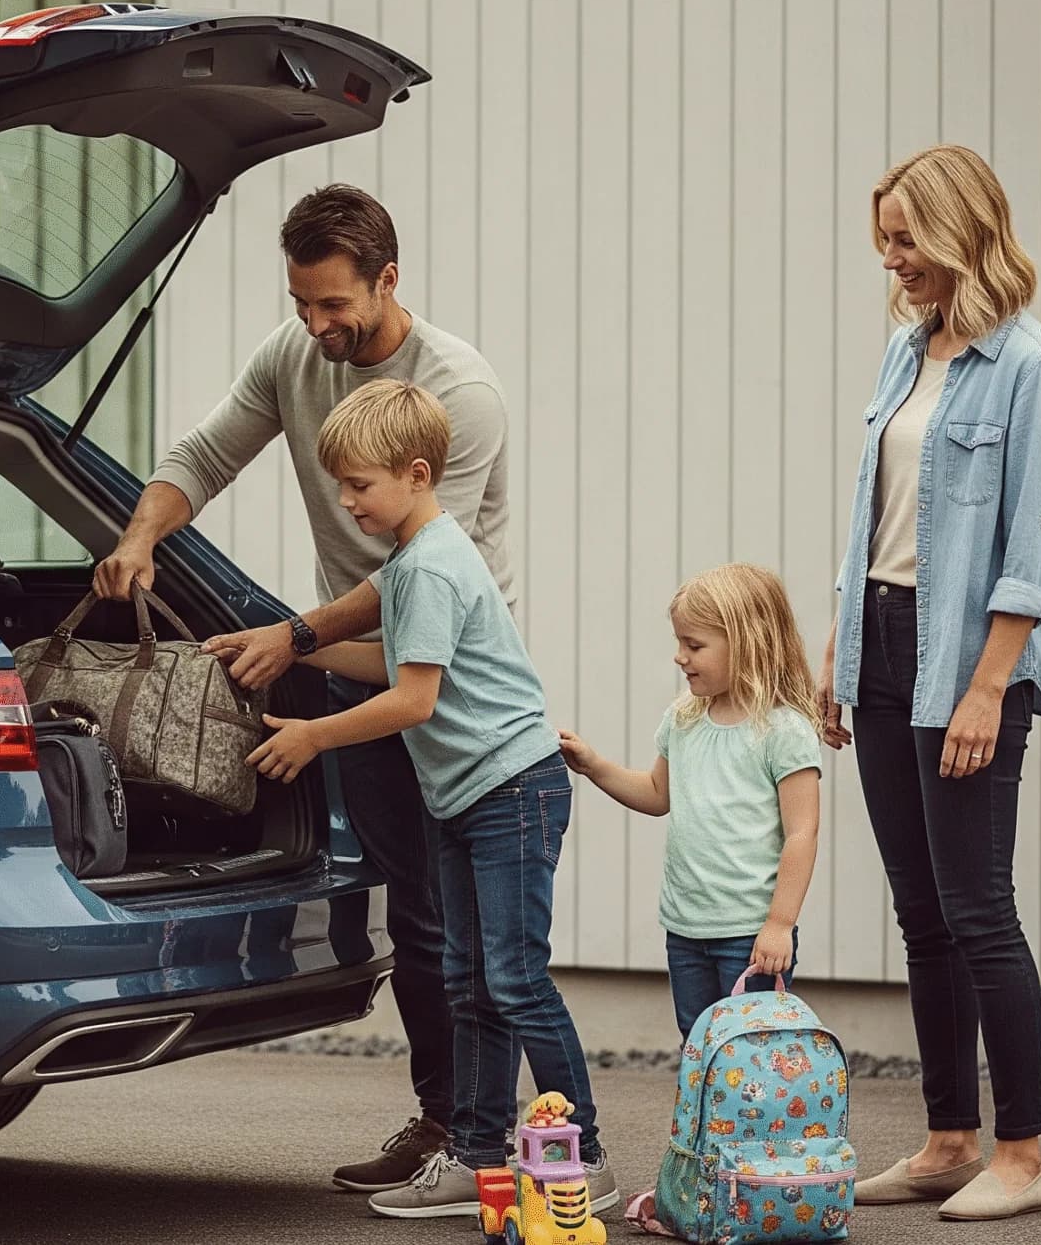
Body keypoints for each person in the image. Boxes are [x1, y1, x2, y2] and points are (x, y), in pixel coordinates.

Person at [90, 185, 514, 1194]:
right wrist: (142, 532)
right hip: (351, 669)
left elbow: (416, 574)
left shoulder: (459, 392)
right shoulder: (294, 355)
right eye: (302, 303)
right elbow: (204, 454)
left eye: (335, 305)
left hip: (444, 681)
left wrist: (292, 636)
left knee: (465, 924)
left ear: (388, 281)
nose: (317, 326)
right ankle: (443, 1121)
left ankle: (496, 1137)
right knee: (412, 914)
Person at [245, 379, 617, 1221]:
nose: (346, 500)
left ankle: (586, 1155)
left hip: (512, 790)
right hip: (465, 796)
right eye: (339, 483)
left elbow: (415, 700)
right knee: (469, 980)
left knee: (515, 980)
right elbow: (391, 659)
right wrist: (300, 655)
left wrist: (314, 737)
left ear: (417, 474)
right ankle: (476, 1156)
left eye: (360, 484)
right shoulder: (413, 560)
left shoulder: (437, 566)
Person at [820, 145, 1041, 1222]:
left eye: (904, 239)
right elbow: (871, 521)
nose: (891, 261)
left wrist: (987, 685)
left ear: (962, 228)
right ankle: (945, 1139)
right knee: (920, 912)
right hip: (881, 638)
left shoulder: (1033, 367)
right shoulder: (902, 351)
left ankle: (1021, 1155)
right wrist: (838, 660)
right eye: (883, 241)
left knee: (978, 909)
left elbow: (1037, 543)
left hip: (966, 654)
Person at [555, 563, 824, 1038]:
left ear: (747, 642)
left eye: (694, 645)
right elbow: (659, 795)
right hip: (686, 929)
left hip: (750, 932)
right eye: (679, 642)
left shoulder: (783, 731)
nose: (680, 657)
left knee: (752, 1052)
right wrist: (593, 766)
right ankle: (707, 1117)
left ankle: (750, 1120)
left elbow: (802, 832)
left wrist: (780, 923)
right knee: (699, 1044)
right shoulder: (683, 719)